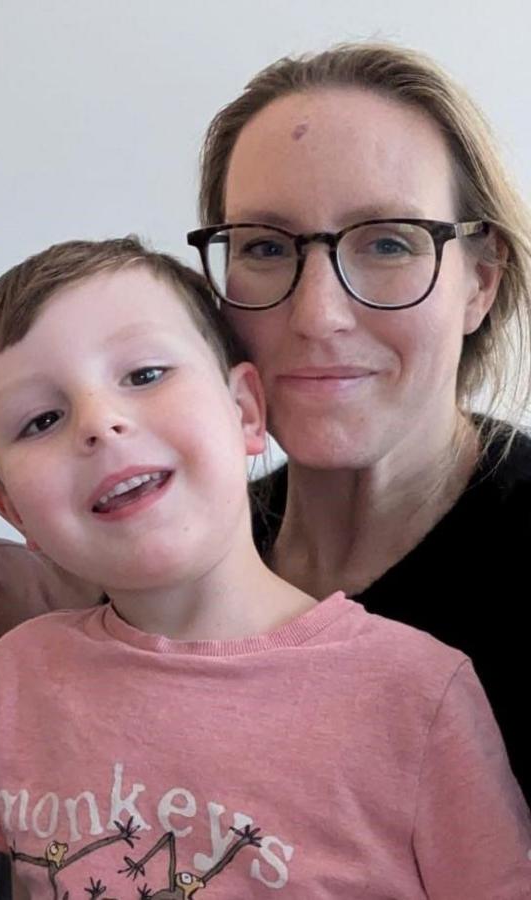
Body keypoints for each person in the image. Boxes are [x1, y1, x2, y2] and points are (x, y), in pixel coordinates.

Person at [0, 236, 530, 896]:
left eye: (143, 375)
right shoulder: (23, 670)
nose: (99, 423)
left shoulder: (419, 692)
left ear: (246, 411)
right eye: (41, 419)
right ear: (11, 509)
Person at [190, 41, 531, 790]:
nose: (318, 315)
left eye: (387, 243)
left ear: (480, 280)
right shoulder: (183, 556)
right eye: (266, 247)